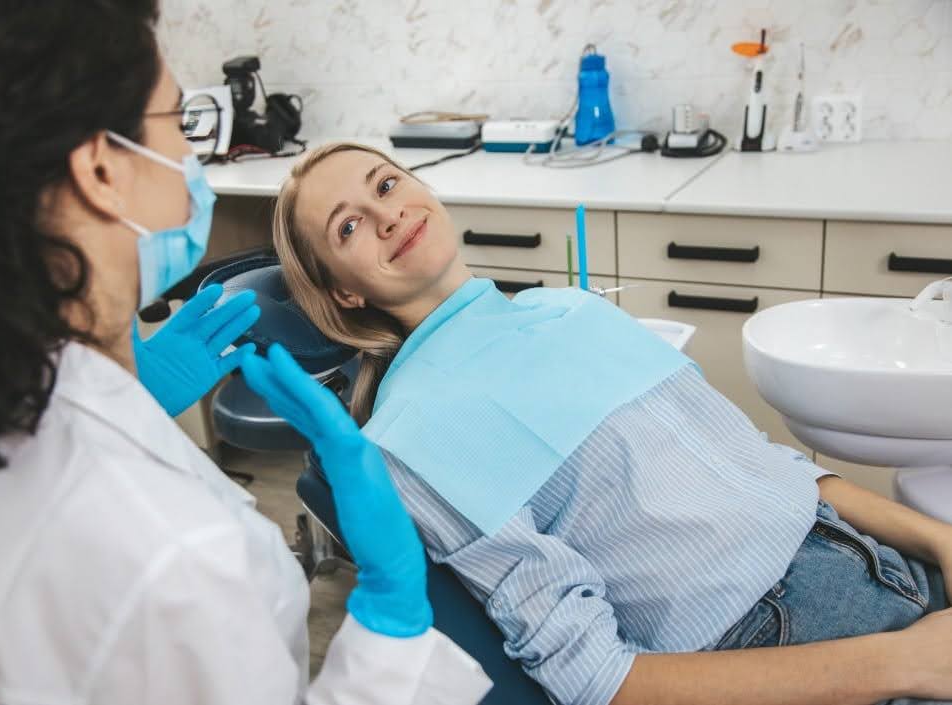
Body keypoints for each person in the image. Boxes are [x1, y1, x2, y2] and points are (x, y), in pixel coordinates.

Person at [0, 5, 491, 704]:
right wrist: (391, 624)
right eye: (179, 122)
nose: (191, 157)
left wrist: (135, 404)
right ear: (102, 170)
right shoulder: (177, 560)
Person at [270, 141, 952, 705]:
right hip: (784, 647)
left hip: (881, 562)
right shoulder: (410, 439)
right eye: (348, 226)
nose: (386, 216)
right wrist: (904, 663)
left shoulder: (571, 310)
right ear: (343, 291)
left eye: (386, 184)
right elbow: (601, 680)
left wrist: (939, 539)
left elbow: (765, 463)